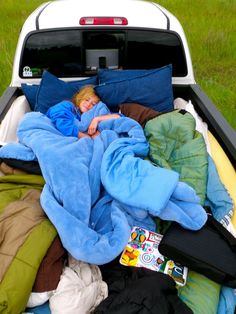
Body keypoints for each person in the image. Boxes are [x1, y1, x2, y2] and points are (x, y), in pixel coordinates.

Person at [46, 85, 121, 139]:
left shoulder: (91, 114)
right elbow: (63, 124)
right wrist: (89, 138)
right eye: (86, 100)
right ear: (80, 98)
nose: (88, 104)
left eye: (93, 104)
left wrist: (97, 119)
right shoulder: (67, 105)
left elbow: (118, 117)